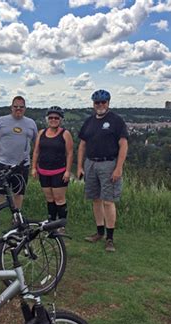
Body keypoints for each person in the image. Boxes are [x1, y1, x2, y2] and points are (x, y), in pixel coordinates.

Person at [76, 89, 128, 252]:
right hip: (90, 163)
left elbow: (123, 145)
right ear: (93, 104)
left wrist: (119, 168)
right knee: (95, 199)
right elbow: (82, 145)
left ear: (108, 103)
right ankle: (99, 232)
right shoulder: (89, 121)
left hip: (108, 164)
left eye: (103, 102)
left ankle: (110, 238)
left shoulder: (116, 121)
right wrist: (79, 166)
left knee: (108, 201)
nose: (100, 105)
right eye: (97, 102)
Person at [0, 96, 38, 226]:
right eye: (16, 106)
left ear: (25, 108)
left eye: (21, 107)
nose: (18, 109)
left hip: (22, 164)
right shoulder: (1, 121)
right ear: (11, 107)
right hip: (3, 163)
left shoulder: (31, 123)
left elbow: (37, 143)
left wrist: (36, 164)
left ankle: (16, 217)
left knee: (18, 192)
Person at [31, 106, 73, 229]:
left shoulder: (65, 134)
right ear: (47, 119)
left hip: (59, 171)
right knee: (49, 198)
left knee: (59, 199)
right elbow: (36, 152)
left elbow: (70, 153)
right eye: (51, 118)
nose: (53, 120)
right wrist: (34, 168)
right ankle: (51, 222)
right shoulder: (41, 133)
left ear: (61, 119)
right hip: (43, 171)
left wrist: (68, 171)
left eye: (56, 118)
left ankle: (61, 225)